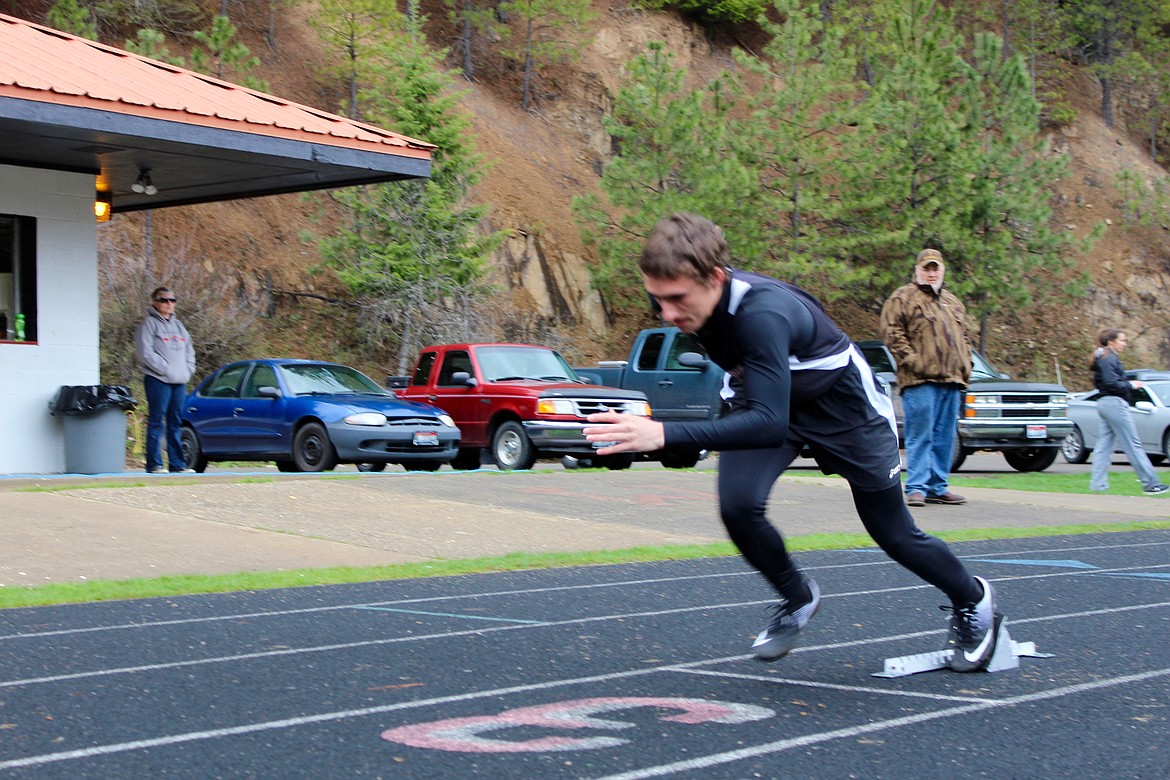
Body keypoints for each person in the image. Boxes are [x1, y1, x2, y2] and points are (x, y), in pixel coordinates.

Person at [583, 213, 998, 671]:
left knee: (894, 534)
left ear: (716, 278)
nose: (667, 314)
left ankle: (973, 599)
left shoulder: (763, 314)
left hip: (845, 409)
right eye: (656, 300)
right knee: (738, 505)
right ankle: (797, 597)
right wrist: (665, 445)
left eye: (677, 299)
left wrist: (663, 431)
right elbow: (755, 402)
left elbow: (767, 423)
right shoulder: (691, 297)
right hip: (767, 396)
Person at [880, 248, 971, 508]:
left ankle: (937, 486)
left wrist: (967, 364)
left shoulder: (953, 302)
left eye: (936, 268)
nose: (931, 273)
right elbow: (892, 333)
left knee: (945, 436)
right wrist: (913, 361)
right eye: (927, 268)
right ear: (917, 270)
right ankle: (916, 487)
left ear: (942, 271)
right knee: (921, 435)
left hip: (952, 380)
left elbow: (966, 337)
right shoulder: (902, 297)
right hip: (919, 380)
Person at [1089, 329, 1169, 495]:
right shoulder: (1108, 358)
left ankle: (1097, 486)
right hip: (1115, 403)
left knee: (1104, 447)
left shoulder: (1102, 357)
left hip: (1104, 403)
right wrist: (1131, 385)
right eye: (1122, 340)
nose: (1125, 344)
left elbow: (1106, 382)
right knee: (1133, 445)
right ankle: (1150, 484)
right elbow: (1111, 382)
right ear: (1111, 341)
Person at [135, 286, 196, 474]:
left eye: (172, 300)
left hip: (179, 381)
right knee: (156, 420)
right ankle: (155, 464)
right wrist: (165, 369)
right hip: (158, 380)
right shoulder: (148, 324)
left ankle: (177, 464)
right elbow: (144, 352)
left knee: (176, 422)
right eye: (164, 300)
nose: (169, 304)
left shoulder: (179, 327)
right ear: (155, 302)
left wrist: (188, 370)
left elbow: (189, 350)